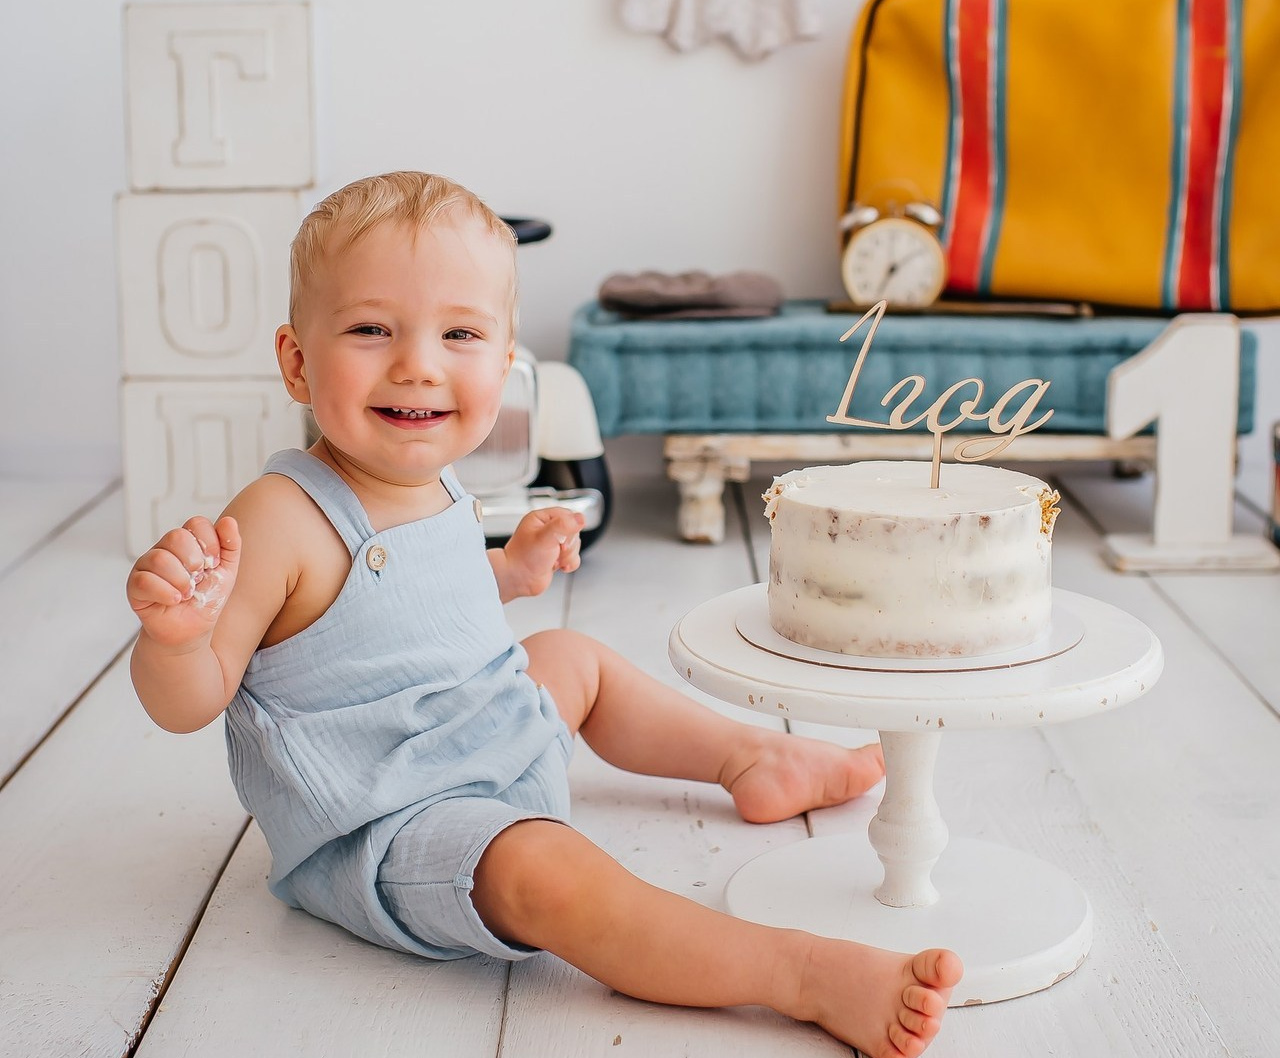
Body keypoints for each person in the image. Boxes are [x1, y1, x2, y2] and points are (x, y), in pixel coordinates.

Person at [127, 171, 961, 1058]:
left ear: (503, 358)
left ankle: (752, 755)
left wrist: (511, 573)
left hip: (487, 739)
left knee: (571, 655)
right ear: (297, 359)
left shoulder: (434, 479)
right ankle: (797, 974)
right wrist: (174, 640)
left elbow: (407, 610)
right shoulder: (279, 517)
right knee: (542, 872)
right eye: (372, 330)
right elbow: (191, 698)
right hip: (396, 823)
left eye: (460, 333)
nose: (418, 362)